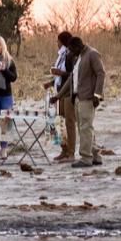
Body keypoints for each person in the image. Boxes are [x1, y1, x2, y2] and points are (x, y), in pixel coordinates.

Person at [52, 35, 105, 167]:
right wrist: (58, 96)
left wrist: (97, 94)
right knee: (85, 129)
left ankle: (86, 158)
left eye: (71, 49)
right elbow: (71, 79)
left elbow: (101, 73)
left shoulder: (92, 54)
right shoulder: (78, 58)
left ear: (77, 46)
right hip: (77, 98)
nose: (69, 52)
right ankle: (95, 156)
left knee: (85, 128)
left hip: (87, 98)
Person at [43, 30, 78, 163]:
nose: (56, 43)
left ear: (62, 42)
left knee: (69, 122)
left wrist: (60, 73)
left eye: (58, 41)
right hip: (60, 92)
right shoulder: (62, 55)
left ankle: (71, 153)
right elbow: (62, 77)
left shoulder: (70, 56)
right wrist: (51, 83)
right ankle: (64, 149)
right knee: (59, 122)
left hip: (68, 93)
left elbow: (72, 75)